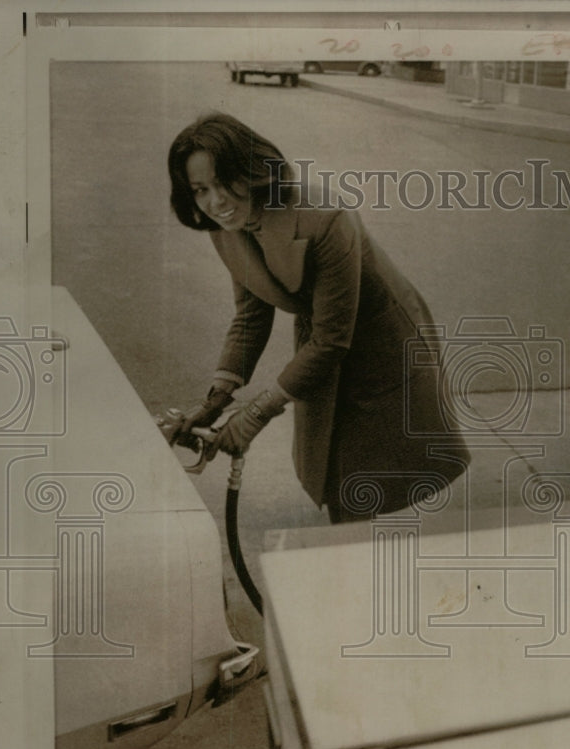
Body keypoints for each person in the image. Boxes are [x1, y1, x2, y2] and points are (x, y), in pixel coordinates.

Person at [167, 112, 469, 522]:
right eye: (200, 189)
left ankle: (362, 564)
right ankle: (354, 553)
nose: (215, 202)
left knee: (365, 477)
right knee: (334, 472)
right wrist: (215, 400)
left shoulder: (325, 216)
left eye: (225, 182)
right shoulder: (224, 228)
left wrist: (255, 413)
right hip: (323, 342)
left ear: (253, 170)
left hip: (381, 340)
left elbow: (331, 341)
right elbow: (251, 317)